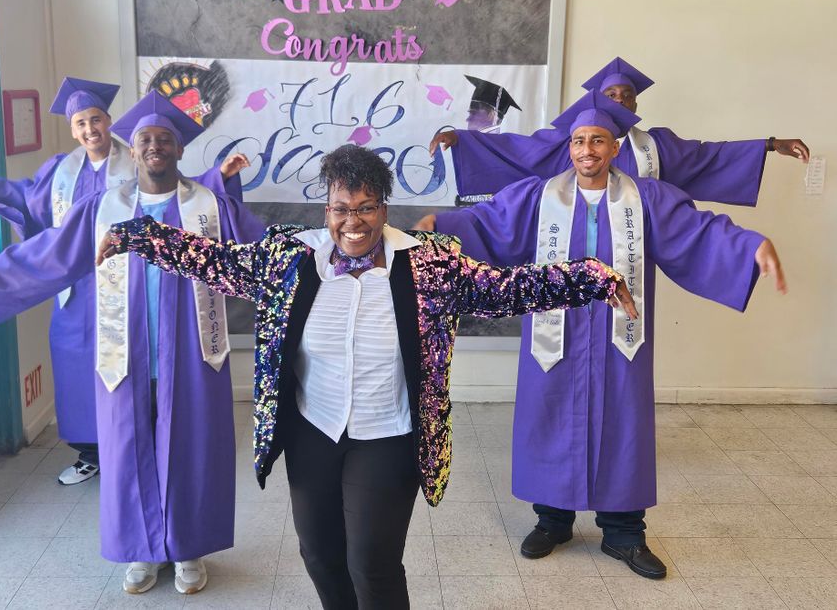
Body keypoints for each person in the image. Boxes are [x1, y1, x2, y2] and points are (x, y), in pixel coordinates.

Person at [95, 144, 633, 609]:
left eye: (366, 208)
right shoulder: (289, 257)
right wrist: (137, 234)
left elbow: (507, 288)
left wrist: (595, 278)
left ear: (384, 208)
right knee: (319, 555)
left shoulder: (430, 264)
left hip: (389, 433)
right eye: (341, 209)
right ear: (326, 210)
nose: (352, 222)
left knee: (371, 563)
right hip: (314, 429)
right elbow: (214, 260)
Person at [414, 90, 787, 580]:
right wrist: (442, 226)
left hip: (619, 338)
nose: (587, 149)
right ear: (569, 147)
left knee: (623, 422)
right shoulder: (538, 196)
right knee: (550, 415)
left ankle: (624, 532)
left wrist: (750, 246)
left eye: (598, 141)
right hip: (555, 336)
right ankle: (552, 521)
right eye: (579, 141)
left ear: (614, 148)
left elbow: (698, 230)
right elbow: (489, 222)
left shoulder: (647, 197)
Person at [0, 91, 266, 595]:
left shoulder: (210, 207)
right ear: (134, 148)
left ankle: (188, 549)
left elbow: (266, 255)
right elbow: (44, 257)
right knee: (129, 451)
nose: (154, 146)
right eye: (145, 139)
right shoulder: (102, 207)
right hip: (124, 354)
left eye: (165, 139)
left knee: (191, 450)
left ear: (179, 148)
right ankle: (142, 550)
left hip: (194, 354)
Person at [0, 77, 246, 486]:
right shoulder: (63, 172)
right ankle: (93, 455)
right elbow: (33, 209)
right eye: (81, 123)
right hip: (77, 289)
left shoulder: (142, 161)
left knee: (148, 375)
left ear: (108, 121)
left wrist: (219, 178)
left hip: (134, 287)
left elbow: (183, 197)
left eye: (96, 119)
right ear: (73, 129)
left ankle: (152, 458)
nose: (90, 129)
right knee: (84, 374)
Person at [430, 56, 810, 206]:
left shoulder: (656, 146)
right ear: (597, 99)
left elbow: (709, 156)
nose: (620, 101)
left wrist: (770, 144)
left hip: (633, 245)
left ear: (636, 105)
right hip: (571, 241)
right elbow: (518, 150)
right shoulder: (570, 143)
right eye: (611, 95)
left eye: (627, 96)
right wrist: (462, 139)